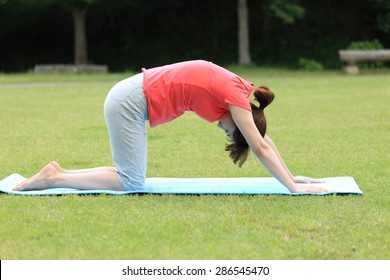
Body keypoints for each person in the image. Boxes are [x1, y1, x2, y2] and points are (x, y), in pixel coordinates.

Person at [13, 60, 328, 193]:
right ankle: (53, 178)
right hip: (129, 101)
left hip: (129, 97)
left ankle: (56, 174)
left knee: (130, 177)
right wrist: (293, 188)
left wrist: (290, 175)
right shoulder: (235, 96)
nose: (223, 129)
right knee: (132, 181)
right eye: (231, 132)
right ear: (242, 118)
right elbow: (258, 144)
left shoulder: (236, 95)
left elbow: (262, 139)